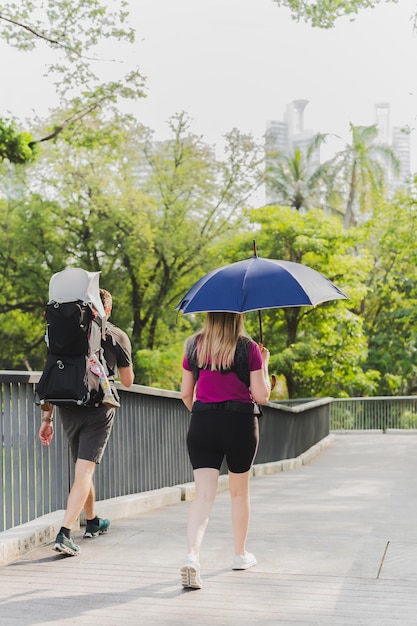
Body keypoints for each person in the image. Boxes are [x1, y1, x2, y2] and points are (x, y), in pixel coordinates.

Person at [38, 288, 134, 556]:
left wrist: (47, 418)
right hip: (98, 408)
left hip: (68, 407)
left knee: (82, 467)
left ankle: (92, 521)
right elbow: (128, 381)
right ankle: (65, 532)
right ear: (108, 310)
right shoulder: (116, 335)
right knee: (85, 471)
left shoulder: (67, 334)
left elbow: (55, 372)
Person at [180, 311, 271, 589]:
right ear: (237, 317)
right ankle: (240, 555)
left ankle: (192, 556)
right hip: (240, 424)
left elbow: (186, 393)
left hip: (203, 422)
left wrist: (204, 413)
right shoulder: (249, 348)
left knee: (203, 495)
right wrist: (264, 364)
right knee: (239, 492)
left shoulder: (193, 345)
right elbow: (262, 396)